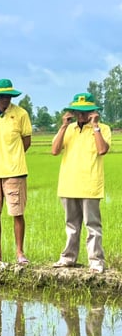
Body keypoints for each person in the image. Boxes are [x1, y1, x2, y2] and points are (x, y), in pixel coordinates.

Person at [51, 93, 111, 273]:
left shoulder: (103, 128)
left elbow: (102, 150)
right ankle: (68, 258)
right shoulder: (68, 130)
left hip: (90, 185)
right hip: (69, 184)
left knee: (92, 226)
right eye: (79, 112)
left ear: (93, 112)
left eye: (86, 112)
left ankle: (96, 262)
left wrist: (95, 127)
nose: (82, 116)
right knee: (71, 225)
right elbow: (54, 151)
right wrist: (63, 126)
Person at [0, 79, 32, 266]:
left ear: (11, 96)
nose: (4, 98)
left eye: (7, 95)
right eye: (1, 95)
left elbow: (26, 141)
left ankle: (19, 252)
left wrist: (13, 156)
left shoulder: (21, 114)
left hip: (15, 171)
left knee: (16, 212)